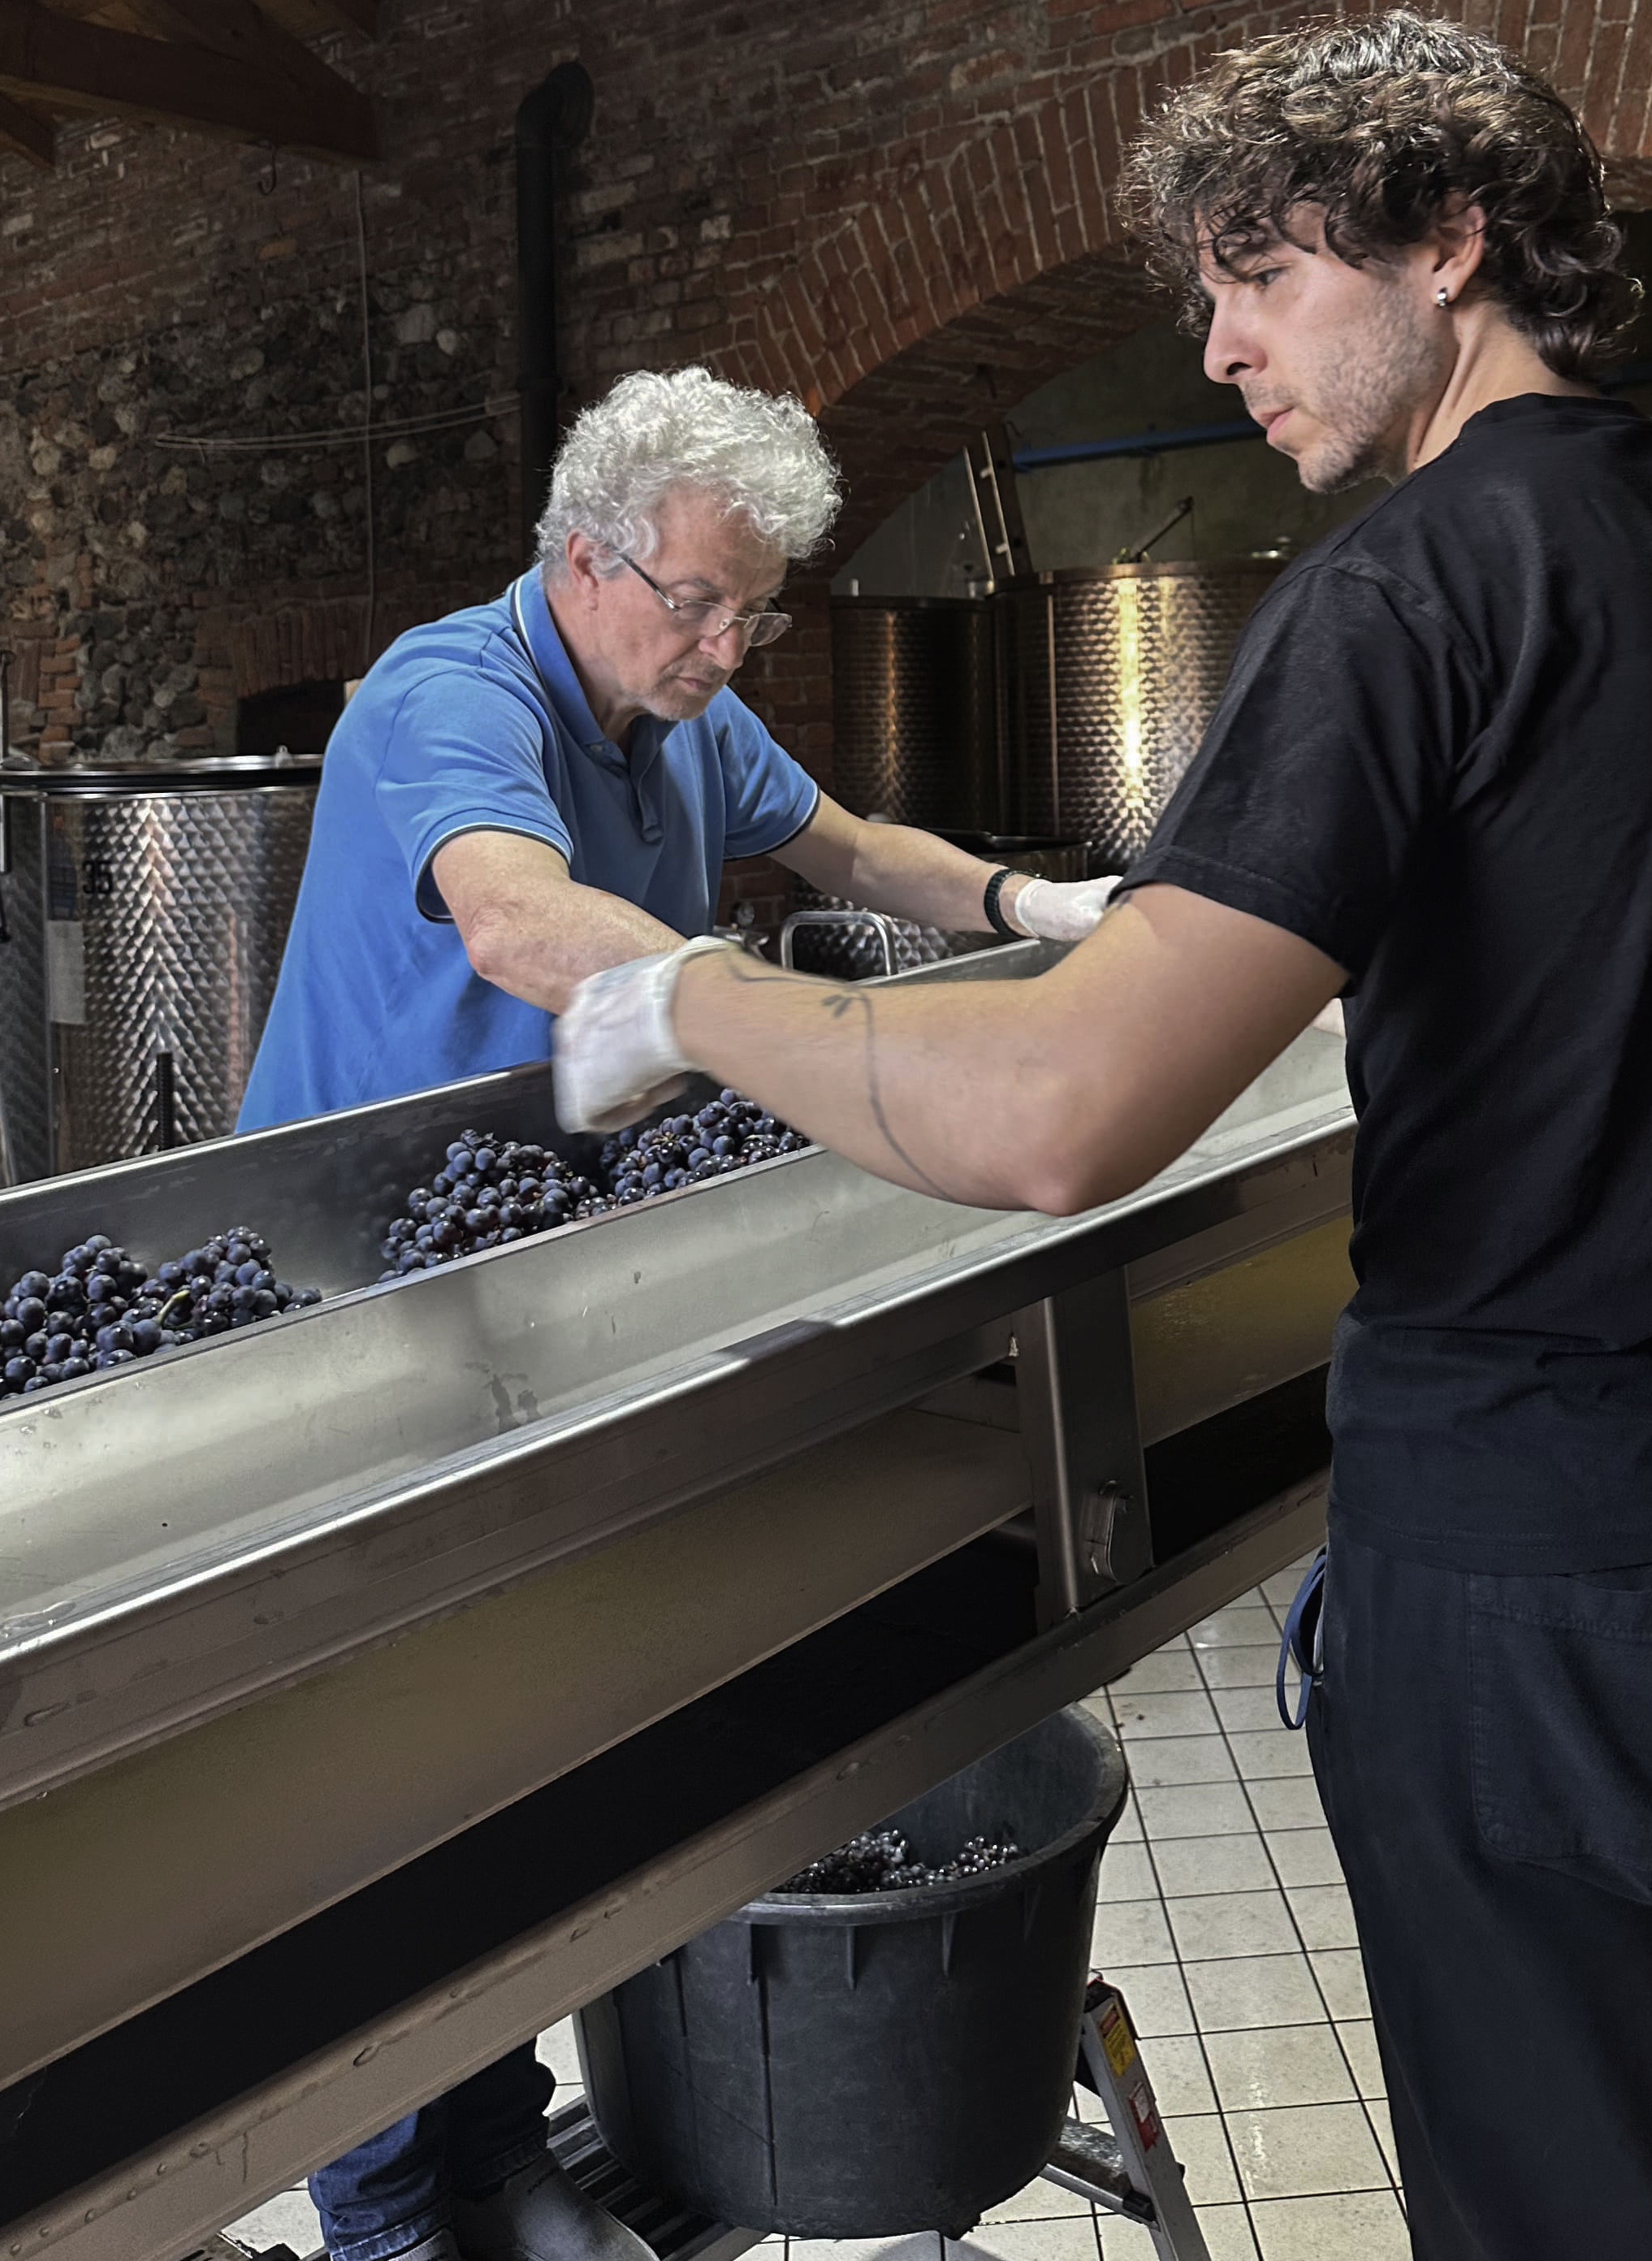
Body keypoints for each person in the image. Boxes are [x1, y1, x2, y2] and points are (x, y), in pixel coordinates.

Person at [555, 17, 1652, 2261]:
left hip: (1548, 1603)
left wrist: (692, 998)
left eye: (1261, 279)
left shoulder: (1405, 591)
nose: (1214, 349)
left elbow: (1059, 1115)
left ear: (1452, 243)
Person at [239, 364, 1114, 2261]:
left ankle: (486, 2139)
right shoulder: (446, 695)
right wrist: (794, 1032)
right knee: (398, 1779)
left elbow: (854, 849)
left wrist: (1045, 913)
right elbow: (513, 920)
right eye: (700, 603)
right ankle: (394, 2213)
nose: (731, 646)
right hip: (362, 1307)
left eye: (759, 610)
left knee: (536, 1740)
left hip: (547, 1293)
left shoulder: (679, 714)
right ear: (585, 555)